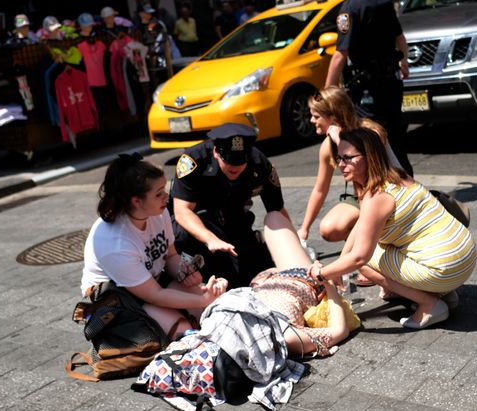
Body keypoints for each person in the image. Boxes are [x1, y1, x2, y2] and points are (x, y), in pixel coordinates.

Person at [307, 127, 477, 330]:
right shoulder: (396, 173)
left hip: (444, 269)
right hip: (465, 258)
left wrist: (322, 274)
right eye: (338, 158)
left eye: (347, 158)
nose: (340, 165)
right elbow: (362, 224)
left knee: (365, 261)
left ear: (369, 157)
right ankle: (443, 292)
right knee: (367, 249)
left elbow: (359, 257)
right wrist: (338, 266)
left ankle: (430, 304)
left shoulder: (377, 197)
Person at [81, 153, 229, 339]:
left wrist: (186, 271)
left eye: (164, 189)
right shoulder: (115, 243)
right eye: (158, 193)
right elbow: (154, 295)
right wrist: (202, 299)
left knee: (215, 311)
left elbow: (171, 255)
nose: (166, 197)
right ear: (136, 201)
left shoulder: (158, 213)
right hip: (119, 301)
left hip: (152, 282)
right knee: (187, 334)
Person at [297, 87, 401, 287]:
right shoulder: (327, 147)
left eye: (316, 116)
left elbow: (379, 174)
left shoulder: (370, 133)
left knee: (361, 256)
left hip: (386, 195)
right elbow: (320, 189)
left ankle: (374, 255)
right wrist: (304, 229)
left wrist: (340, 141)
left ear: (334, 118)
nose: (311, 121)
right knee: (329, 228)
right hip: (363, 199)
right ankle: (365, 248)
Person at [323, 0, 414, 177]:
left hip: (367, 91)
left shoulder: (350, 8)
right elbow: (399, 37)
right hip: (391, 84)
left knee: (369, 143)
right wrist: (403, 62)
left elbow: (339, 55)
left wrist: (325, 94)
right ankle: (409, 185)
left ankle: (388, 193)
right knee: (393, 137)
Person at [170, 123, 290, 288]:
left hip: (234, 220)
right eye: (229, 161)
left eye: (241, 161)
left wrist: (294, 246)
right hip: (197, 226)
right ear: (216, 152)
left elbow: (277, 210)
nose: (235, 167)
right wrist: (210, 239)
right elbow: (182, 212)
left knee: (255, 276)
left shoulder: (258, 162)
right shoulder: (194, 160)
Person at [251, 210, 351, 357]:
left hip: (266, 280)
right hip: (296, 280)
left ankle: (303, 255)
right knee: (274, 217)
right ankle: (306, 257)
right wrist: (327, 280)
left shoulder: (215, 325)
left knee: (273, 217)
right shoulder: (287, 336)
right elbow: (340, 331)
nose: (213, 279)